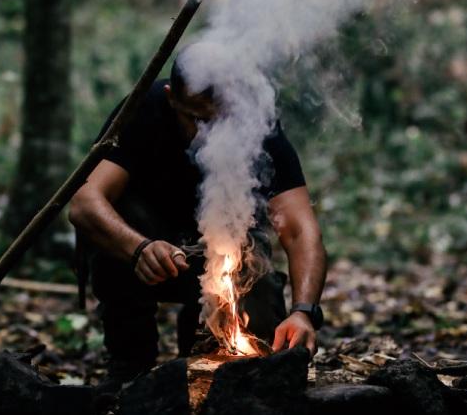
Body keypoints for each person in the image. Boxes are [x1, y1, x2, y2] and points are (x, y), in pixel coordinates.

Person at [69, 43, 327, 393]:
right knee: (116, 223)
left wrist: (304, 310)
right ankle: (128, 366)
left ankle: (203, 350)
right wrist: (138, 247)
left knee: (253, 331)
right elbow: (84, 202)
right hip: (148, 251)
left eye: (224, 120)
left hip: (221, 255)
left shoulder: (256, 125)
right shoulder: (145, 110)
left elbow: (300, 230)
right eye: (198, 119)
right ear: (171, 97)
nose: (211, 135)